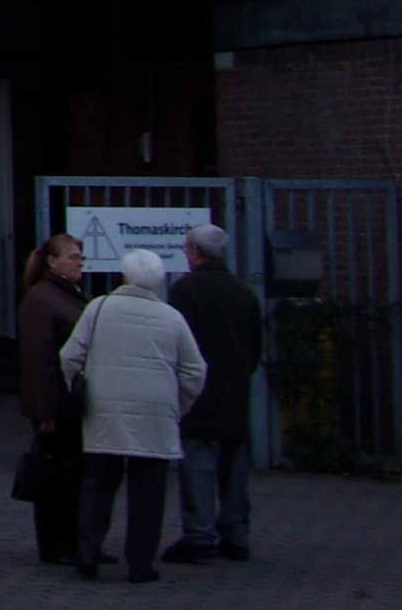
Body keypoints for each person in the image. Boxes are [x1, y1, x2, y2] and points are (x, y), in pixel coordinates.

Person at [58, 246, 206, 582]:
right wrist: (178, 405)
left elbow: (69, 355)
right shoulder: (171, 317)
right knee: (148, 492)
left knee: (98, 482)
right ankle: (140, 564)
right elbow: (195, 371)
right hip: (155, 411)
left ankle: (88, 553)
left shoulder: (99, 308)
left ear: (125, 277)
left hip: (104, 408)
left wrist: (80, 389)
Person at [164, 221, 264, 564]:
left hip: (199, 392)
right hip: (235, 391)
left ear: (194, 252)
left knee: (198, 464)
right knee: (234, 466)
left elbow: (178, 343)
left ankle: (199, 534)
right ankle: (236, 534)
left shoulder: (186, 291)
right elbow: (255, 347)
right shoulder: (244, 292)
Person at [11, 232, 88, 566]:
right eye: (73, 256)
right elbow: (38, 360)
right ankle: (57, 544)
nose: (79, 262)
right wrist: (45, 411)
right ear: (52, 262)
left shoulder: (67, 295)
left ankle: (73, 540)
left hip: (68, 402)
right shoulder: (42, 300)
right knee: (56, 476)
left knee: (71, 474)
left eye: (81, 256)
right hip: (55, 404)